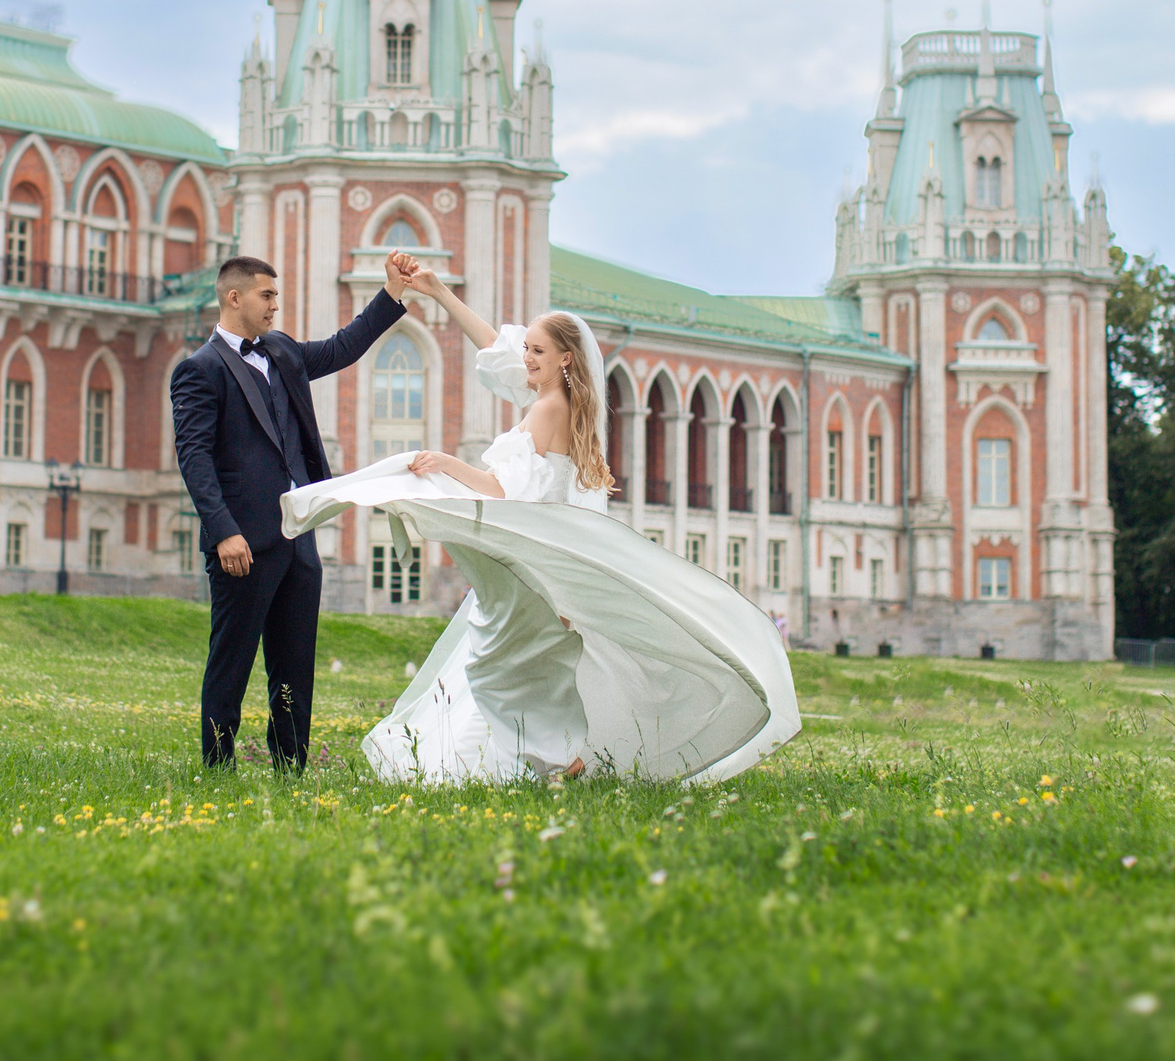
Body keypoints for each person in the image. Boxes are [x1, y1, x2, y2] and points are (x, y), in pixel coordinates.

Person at [283, 253, 800, 786]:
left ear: (566, 360)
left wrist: (445, 462)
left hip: (531, 568)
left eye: (536, 351)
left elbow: (504, 490)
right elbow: (496, 351)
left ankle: (558, 761)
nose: (525, 358)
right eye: (525, 348)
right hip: (534, 566)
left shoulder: (549, 410)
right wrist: (438, 293)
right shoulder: (557, 400)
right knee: (509, 669)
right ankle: (551, 761)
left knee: (494, 667)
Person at [171, 252, 414, 768]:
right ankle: (218, 765)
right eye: (267, 296)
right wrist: (223, 532)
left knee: (294, 665)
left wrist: (391, 294)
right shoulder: (199, 370)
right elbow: (194, 458)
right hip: (242, 543)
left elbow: (341, 348)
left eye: (276, 296)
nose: (275, 306)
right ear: (234, 298)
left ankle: (291, 768)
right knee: (231, 663)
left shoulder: (280, 350)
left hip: (298, 537)